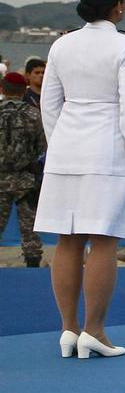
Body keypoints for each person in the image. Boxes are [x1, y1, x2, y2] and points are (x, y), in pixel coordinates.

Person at [33, 0, 125, 358]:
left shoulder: (61, 46)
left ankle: (68, 328)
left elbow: (50, 103)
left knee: (66, 240)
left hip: (66, 147)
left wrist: (60, 142)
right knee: (102, 241)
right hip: (107, 150)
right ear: (117, 6)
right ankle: (94, 330)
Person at [0, 71, 46, 267]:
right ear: (23, 90)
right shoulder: (34, 114)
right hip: (26, 178)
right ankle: (32, 262)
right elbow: (41, 146)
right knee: (29, 226)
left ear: (2, 89)